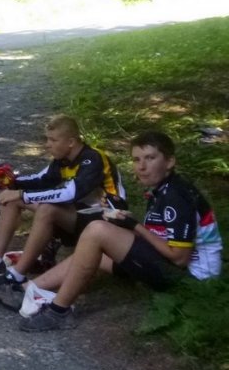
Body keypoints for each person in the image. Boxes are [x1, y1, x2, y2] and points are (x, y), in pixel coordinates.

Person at [18, 131, 223, 331]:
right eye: (136, 160)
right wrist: (124, 219)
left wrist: (135, 226)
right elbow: (159, 237)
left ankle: (58, 312)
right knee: (93, 246)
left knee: (97, 231)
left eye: (150, 158)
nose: (141, 167)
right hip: (169, 265)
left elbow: (179, 258)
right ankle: (29, 289)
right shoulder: (164, 188)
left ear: (169, 162)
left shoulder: (176, 197)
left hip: (191, 281)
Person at [0, 115, 127, 294]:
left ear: (71, 141)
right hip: (83, 217)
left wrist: (22, 193)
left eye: (53, 140)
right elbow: (41, 180)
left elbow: (70, 194)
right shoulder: (62, 160)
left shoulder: (93, 159)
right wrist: (12, 182)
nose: (48, 144)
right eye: (47, 139)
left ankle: (17, 275)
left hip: (109, 223)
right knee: (14, 199)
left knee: (46, 208)